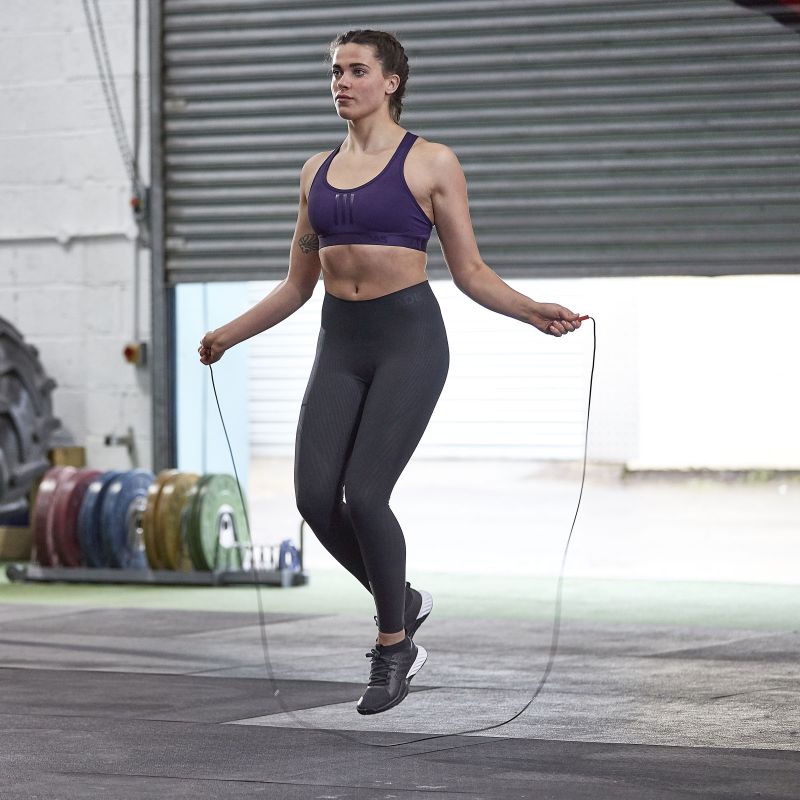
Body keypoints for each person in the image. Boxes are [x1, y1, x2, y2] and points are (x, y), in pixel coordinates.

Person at [198, 29, 582, 716]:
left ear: (391, 82)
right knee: (315, 499)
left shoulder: (431, 162)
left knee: (366, 495)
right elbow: (296, 285)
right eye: (335, 72)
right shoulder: (315, 172)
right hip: (340, 344)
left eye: (356, 71)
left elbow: (470, 271)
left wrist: (531, 311)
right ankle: (401, 597)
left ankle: (393, 644)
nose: (341, 83)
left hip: (409, 341)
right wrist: (228, 333)